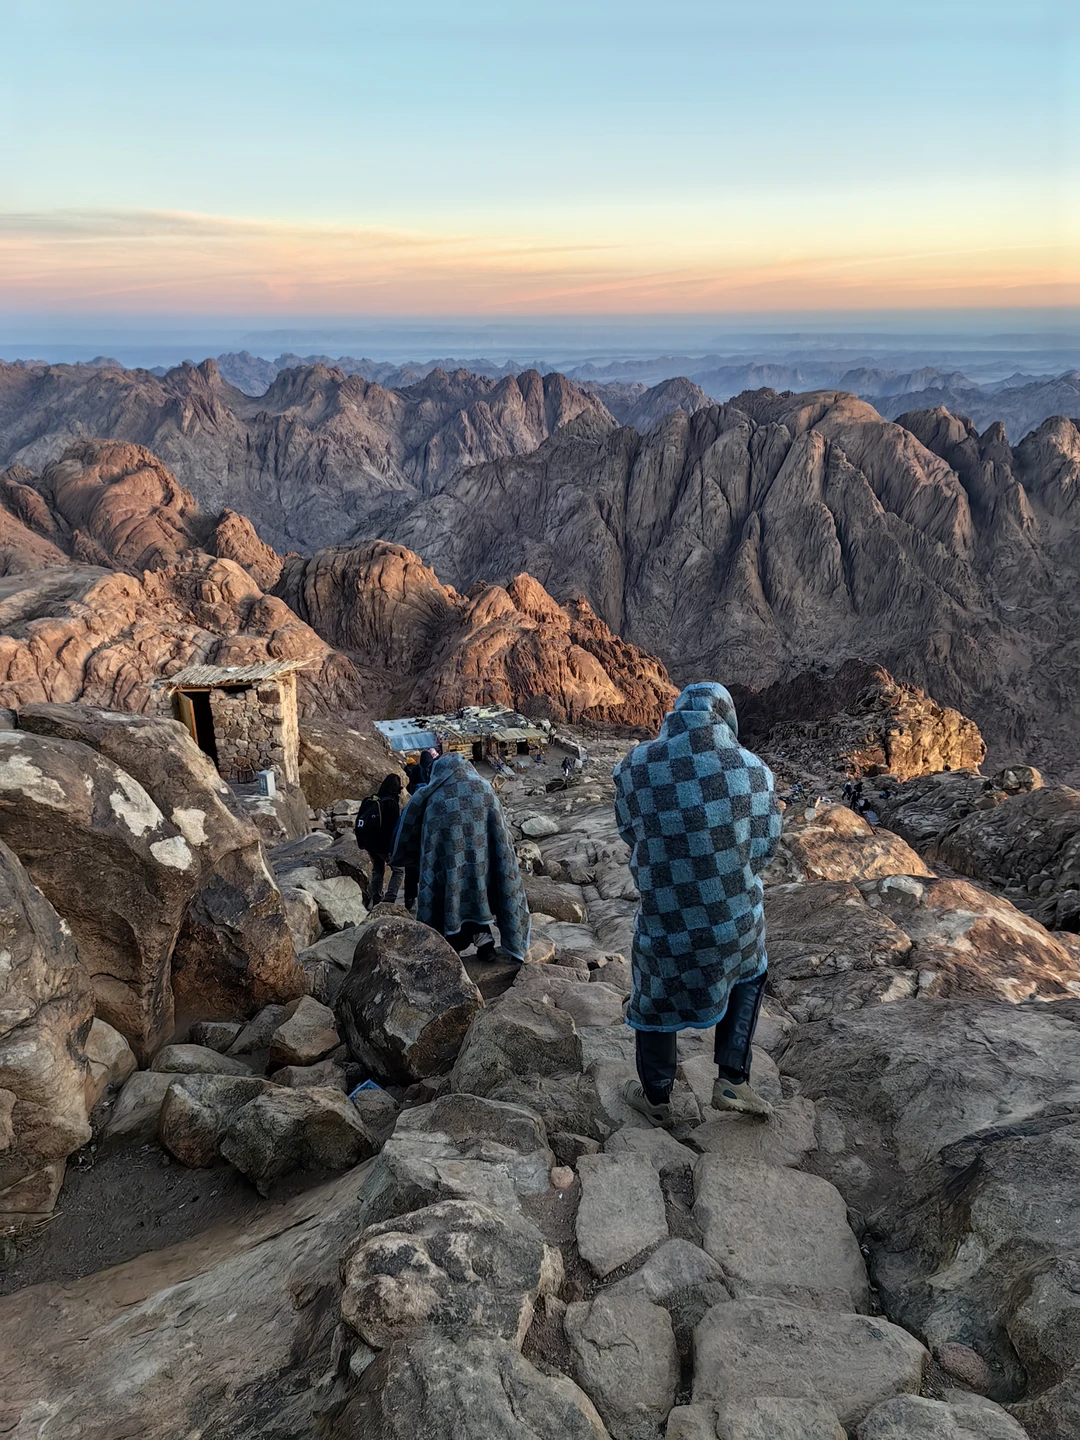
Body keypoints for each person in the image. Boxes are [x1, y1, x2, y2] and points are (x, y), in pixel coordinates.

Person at [613, 682, 783, 1124]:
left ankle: (655, 1097)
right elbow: (764, 849)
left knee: (654, 994)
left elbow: (630, 832)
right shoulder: (755, 771)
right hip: (734, 921)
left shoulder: (634, 766)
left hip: (666, 918)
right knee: (751, 969)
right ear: (725, 717)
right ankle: (732, 1079)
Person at [391, 751, 530, 964]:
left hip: (448, 867)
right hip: (482, 864)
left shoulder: (435, 799)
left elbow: (426, 843)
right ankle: (485, 942)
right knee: (479, 893)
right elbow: (501, 837)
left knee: (451, 895)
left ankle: (450, 950)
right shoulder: (484, 789)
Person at [355, 774, 406, 905]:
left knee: (378, 870)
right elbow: (390, 829)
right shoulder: (391, 803)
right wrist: (390, 848)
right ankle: (390, 899)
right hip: (383, 845)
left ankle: (376, 898)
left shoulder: (372, 800)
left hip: (369, 844)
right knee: (399, 870)